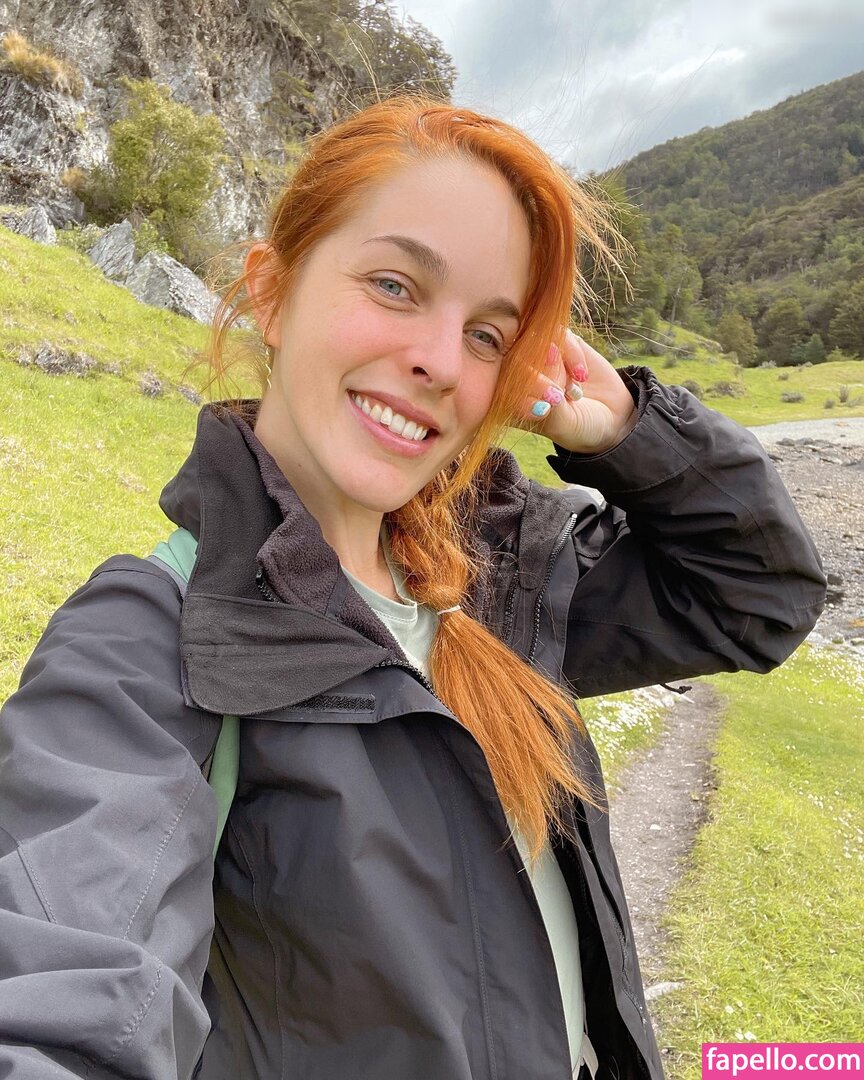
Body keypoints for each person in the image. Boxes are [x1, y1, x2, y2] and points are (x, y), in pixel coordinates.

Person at [0, 96, 825, 1080]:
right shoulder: (148, 645)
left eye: (487, 335)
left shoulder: (504, 572)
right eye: (395, 285)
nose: (439, 361)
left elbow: (757, 596)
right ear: (272, 292)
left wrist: (625, 430)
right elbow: (64, 996)